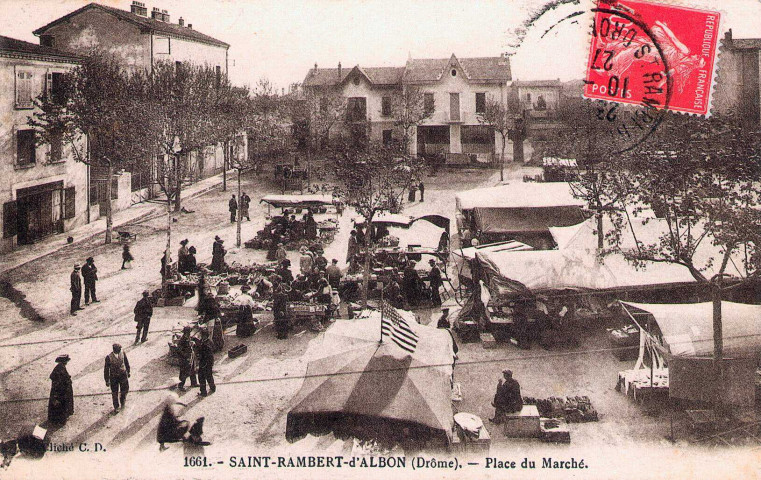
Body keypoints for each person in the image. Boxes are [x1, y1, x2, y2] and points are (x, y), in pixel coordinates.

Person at [48, 355, 74, 425]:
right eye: (66, 361)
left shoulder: (60, 367)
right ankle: (59, 420)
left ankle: (57, 419)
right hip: (60, 391)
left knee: (59, 404)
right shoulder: (60, 368)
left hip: (60, 389)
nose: (67, 363)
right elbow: (59, 380)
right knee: (60, 404)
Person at [104, 343, 130, 413]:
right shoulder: (108, 357)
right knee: (114, 393)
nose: (120, 350)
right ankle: (116, 407)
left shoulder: (123, 353)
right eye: (119, 349)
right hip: (114, 377)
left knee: (125, 389)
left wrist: (128, 371)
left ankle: (122, 400)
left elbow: (126, 362)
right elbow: (106, 370)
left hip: (123, 375)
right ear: (115, 350)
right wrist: (107, 380)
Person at [176, 326, 198, 391]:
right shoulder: (182, 340)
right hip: (184, 359)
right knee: (184, 372)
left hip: (190, 356)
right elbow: (179, 350)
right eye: (188, 332)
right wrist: (185, 356)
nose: (189, 334)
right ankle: (180, 386)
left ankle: (194, 383)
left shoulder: (187, 338)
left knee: (192, 370)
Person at [196, 329, 215, 396]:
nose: (201, 336)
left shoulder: (205, 345)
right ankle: (213, 388)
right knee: (209, 376)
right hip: (208, 363)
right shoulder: (209, 341)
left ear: (204, 336)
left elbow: (208, 355)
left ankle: (203, 392)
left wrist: (204, 364)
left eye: (202, 335)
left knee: (201, 377)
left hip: (205, 363)